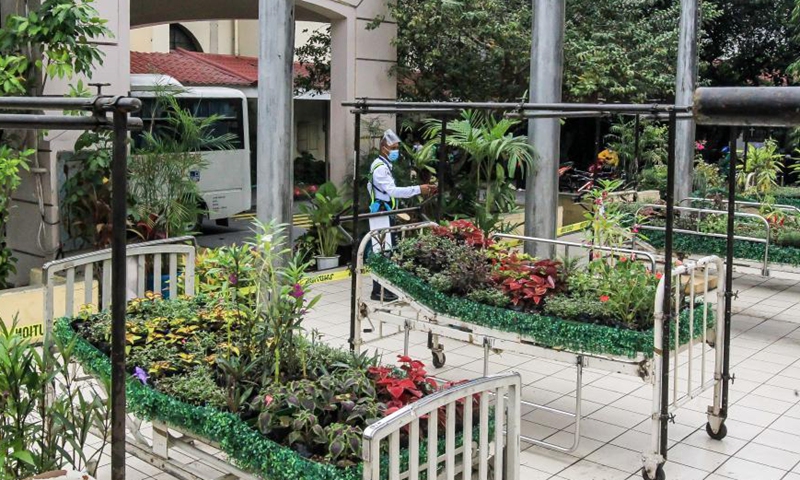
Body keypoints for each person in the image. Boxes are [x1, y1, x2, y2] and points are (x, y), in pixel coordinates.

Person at [368, 129, 436, 301]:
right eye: (394, 147)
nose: (396, 151)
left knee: (385, 250)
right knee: (381, 251)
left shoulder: (383, 165)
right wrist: (418, 189)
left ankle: (383, 288)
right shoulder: (380, 169)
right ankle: (378, 291)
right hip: (380, 213)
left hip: (385, 211)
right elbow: (392, 191)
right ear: (384, 148)